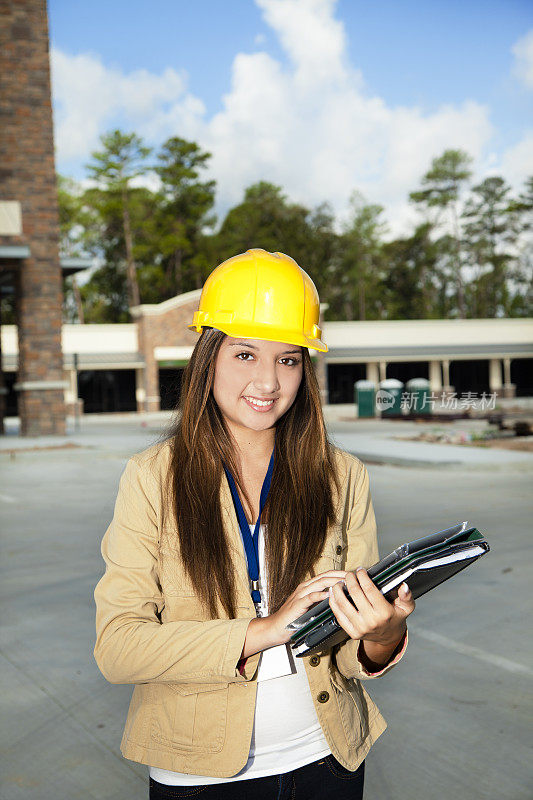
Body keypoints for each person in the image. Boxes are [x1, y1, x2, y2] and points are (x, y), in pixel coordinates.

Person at [94, 248, 415, 800]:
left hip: (328, 762)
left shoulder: (342, 477)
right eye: (245, 354)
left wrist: (383, 634)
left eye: (288, 360)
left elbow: (349, 655)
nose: (268, 381)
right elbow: (118, 648)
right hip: (200, 776)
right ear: (208, 358)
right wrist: (267, 631)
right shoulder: (152, 478)